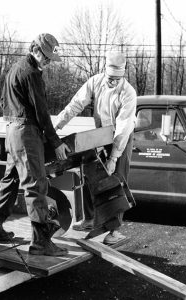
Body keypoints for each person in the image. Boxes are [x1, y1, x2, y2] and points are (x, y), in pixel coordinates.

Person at [0, 33, 70, 256]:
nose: (47, 62)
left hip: (12, 130)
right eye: (46, 57)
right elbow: (42, 113)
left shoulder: (15, 68)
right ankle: (41, 242)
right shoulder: (32, 73)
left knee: (12, 179)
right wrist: (55, 142)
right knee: (36, 184)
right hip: (26, 132)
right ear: (36, 50)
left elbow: (3, 102)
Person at [54, 51, 137, 245]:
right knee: (90, 173)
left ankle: (114, 231)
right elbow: (76, 104)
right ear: (105, 72)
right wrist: (56, 125)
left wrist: (113, 157)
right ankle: (89, 220)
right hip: (101, 133)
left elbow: (124, 127)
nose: (112, 82)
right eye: (110, 78)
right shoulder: (94, 82)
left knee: (117, 180)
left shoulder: (128, 92)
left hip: (122, 138)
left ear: (122, 75)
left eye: (117, 79)